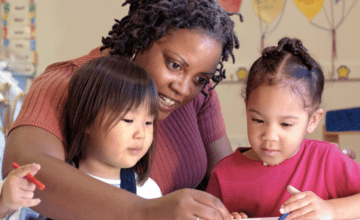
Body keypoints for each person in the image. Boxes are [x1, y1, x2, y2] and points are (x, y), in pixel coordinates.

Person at [2, 0, 242, 219]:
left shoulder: (200, 94)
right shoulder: (68, 82)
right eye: (174, 64)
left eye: (200, 78)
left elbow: (229, 181)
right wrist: (144, 211)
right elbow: (28, 170)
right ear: (142, 37)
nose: (183, 88)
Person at [206, 37, 360, 219]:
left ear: (312, 120)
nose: (270, 136)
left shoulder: (327, 159)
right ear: (247, 108)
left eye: (286, 124)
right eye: (258, 120)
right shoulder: (224, 174)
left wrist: (331, 210)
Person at [15, 55, 163, 219]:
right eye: (128, 120)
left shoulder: (148, 192)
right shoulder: (52, 182)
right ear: (86, 120)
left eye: (149, 123)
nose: (141, 134)